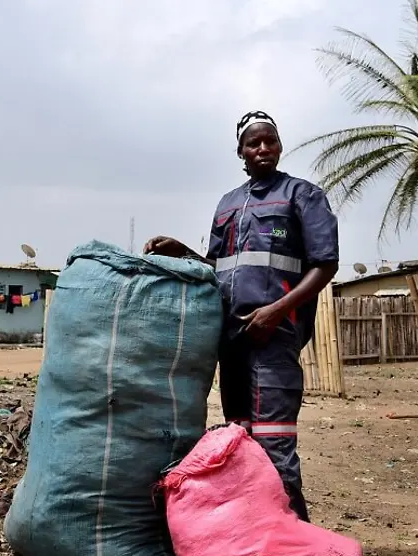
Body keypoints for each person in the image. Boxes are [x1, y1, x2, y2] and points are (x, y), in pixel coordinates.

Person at [144, 110, 339, 522]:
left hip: (275, 338)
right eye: (255, 143)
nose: (264, 148)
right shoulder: (227, 204)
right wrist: (183, 252)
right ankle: (252, 534)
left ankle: (295, 542)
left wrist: (276, 311)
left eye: (271, 141)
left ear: (280, 146)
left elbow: (325, 266)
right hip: (231, 340)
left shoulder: (302, 195)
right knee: (241, 439)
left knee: (274, 442)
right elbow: (217, 269)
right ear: (241, 152)